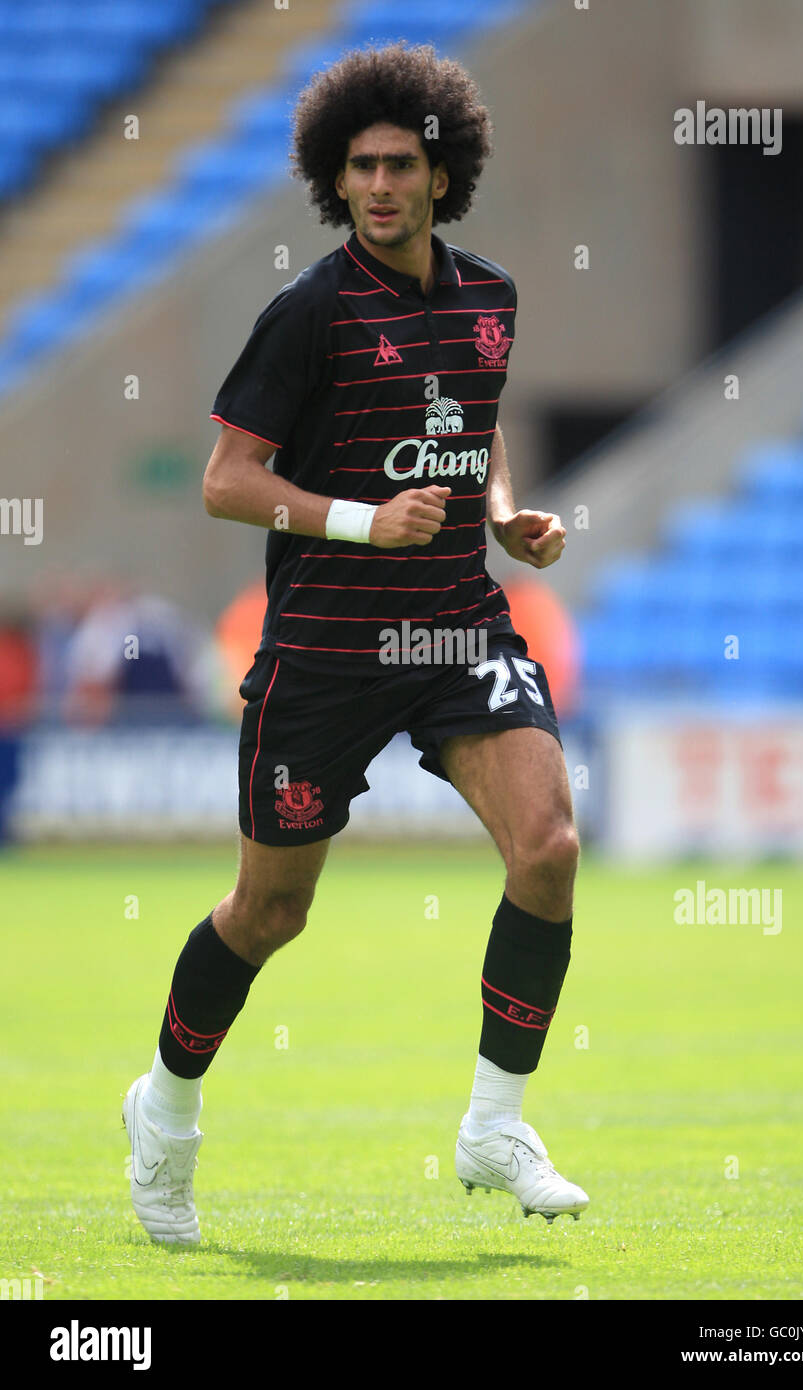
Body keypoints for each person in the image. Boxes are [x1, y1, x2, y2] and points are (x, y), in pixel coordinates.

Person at [123, 42, 588, 1243]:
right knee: (269, 911)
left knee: (545, 845)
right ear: (338, 183)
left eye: (398, 162)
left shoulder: (490, 296)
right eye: (358, 167)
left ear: (441, 171)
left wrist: (501, 518)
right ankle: (164, 1108)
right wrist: (358, 521)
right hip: (324, 649)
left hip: (455, 628)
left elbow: (470, 431)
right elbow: (228, 482)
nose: (378, 183)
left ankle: (494, 1124)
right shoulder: (309, 311)